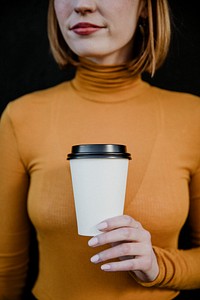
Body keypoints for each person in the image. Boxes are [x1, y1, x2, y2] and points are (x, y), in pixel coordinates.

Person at [0, 0, 199, 299]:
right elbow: (6, 268)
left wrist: (160, 266)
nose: (82, 4)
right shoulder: (21, 116)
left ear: (145, 6)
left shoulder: (192, 117)